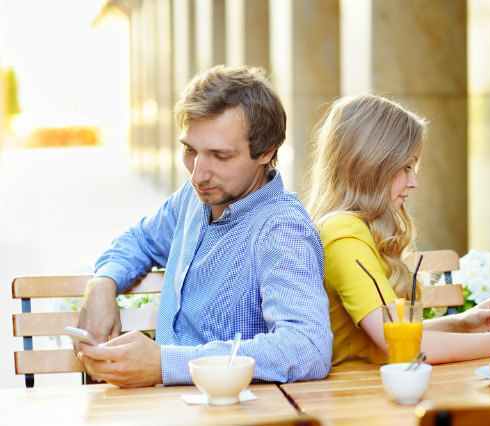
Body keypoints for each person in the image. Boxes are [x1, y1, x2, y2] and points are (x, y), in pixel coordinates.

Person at [76, 66, 332, 387]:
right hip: (170, 408)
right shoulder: (193, 198)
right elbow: (140, 240)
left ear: (266, 152)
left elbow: (307, 347)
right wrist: (102, 283)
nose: (198, 175)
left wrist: (164, 364)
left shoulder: (281, 229)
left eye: (220, 156)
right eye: (190, 151)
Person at [307, 94, 490, 365]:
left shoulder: (353, 228)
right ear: (370, 165)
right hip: (357, 397)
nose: (414, 182)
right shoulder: (343, 234)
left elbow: (384, 337)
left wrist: (462, 323)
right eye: (406, 167)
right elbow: (400, 344)